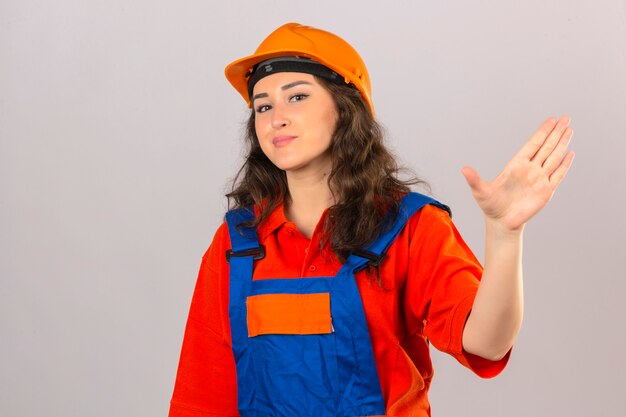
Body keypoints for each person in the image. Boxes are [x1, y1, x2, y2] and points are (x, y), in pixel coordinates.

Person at [168, 23, 575, 417]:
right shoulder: (237, 243)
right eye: (263, 105)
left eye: (297, 97)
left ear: (346, 110)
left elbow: (486, 343)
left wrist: (505, 234)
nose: (276, 118)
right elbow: (201, 397)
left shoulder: (411, 227)